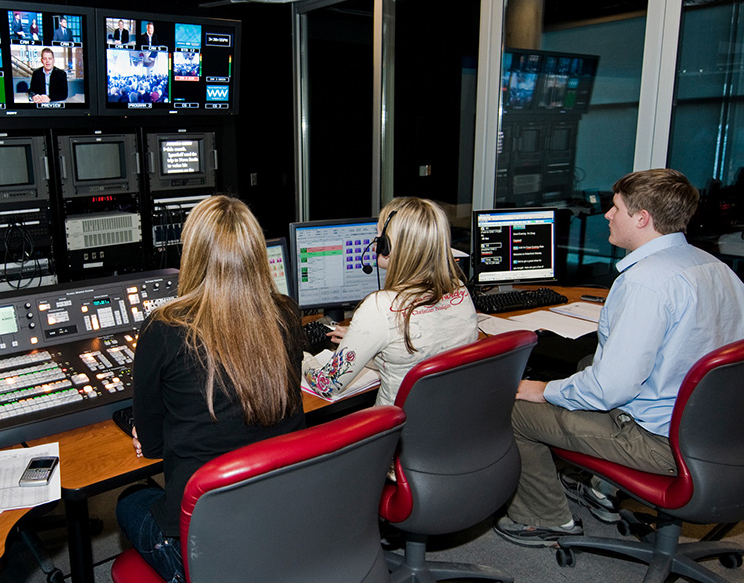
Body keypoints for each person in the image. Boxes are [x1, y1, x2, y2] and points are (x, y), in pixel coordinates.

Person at [494, 168, 744, 547]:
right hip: (720, 429)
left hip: (661, 442)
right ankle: (601, 491)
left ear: (642, 219)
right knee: (583, 367)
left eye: (616, 208)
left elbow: (611, 388)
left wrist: (542, 389)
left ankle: (542, 518)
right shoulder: (718, 269)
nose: (608, 215)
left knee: (513, 410)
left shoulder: (645, 282)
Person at [116, 196, 306, 583]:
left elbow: (151, 447)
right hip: (279, 518)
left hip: (200, 538)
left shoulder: (163, 328)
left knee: (129, 500)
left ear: (193, 255)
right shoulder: (286, 313)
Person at [302, 197, 479, 406]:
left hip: (396, 430)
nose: (376, 241)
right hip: (446, 424)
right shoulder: (458, 289)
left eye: (379, 235)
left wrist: (301, 358)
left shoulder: (381, 306)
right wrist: (360, 342)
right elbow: (415, 357)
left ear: (389, 246)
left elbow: (326, 384)